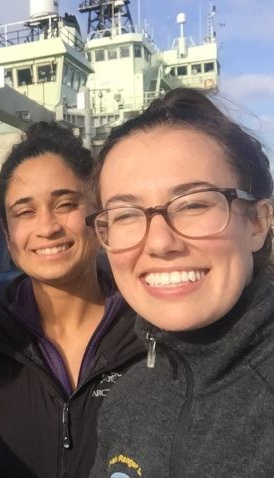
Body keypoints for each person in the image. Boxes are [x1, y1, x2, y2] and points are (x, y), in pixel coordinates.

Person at [0, 122, 145, 477]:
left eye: (65, 204)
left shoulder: (150, 337)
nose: (47, 227)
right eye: (25, 212)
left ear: (99, 217)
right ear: (7, 236)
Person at [86, 88, 274, 476]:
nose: (159, 242)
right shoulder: (126, 399)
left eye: (194, 204)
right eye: (125, 215)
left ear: (258, 223)